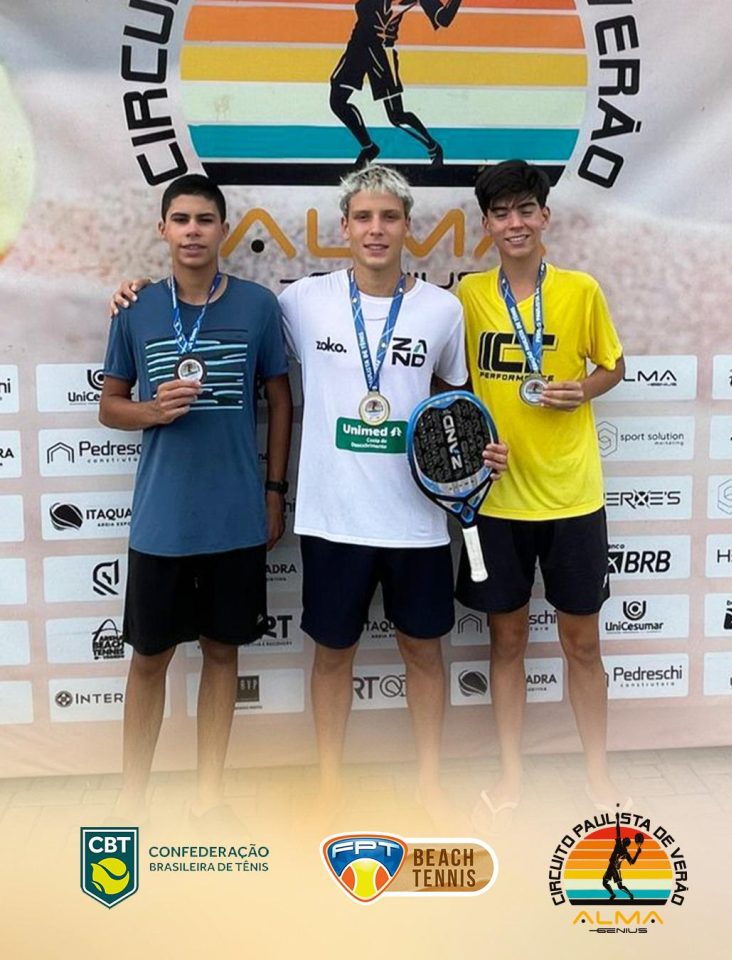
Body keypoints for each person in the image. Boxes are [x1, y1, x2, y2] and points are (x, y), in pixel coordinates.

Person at [278, 164, 506, 820]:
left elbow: (455, 403)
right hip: (334, 520)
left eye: (388, 217)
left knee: (424, 654)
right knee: (332, 657)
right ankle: (329, 784)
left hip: (417, 521)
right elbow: (229, 316)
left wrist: (481, 453)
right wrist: (136, 293)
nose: (375, 230)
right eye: (363, 218)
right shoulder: (303, 302)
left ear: (408, 226)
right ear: (344, 228)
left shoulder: (441, 309)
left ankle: (429, 781)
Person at [100, 174, 292, 826]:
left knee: (222, 653)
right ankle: (131, 798)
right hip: (162, 522)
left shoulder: (258, 306)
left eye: (204, 220)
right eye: (180, 219)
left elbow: (280, 401)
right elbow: (110, 406)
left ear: (223, 230)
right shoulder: (136, 308)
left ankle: (209, 795)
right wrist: (152, 411)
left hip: (235, 518)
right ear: (163, 229)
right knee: (148, 660)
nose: (192, 231)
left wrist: (274, 492)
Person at [456, 159, 627, 829]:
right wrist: (477, 443)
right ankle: (511, 776)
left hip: (572, 498)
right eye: (501, 213)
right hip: (496, 502)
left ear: (545, 215)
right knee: (506, 644)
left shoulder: (581, 290)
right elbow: (451, 386)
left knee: (583, 644)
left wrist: (581, 390)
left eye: (526, 209)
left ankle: (598, 775)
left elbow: (613, 365)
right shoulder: (469, 296)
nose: (515, 223)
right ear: (487, 224)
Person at [330, 0, 464, 167]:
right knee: (337, 101)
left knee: (396, 116)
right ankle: (368, 147)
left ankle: (433, 147)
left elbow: (443, 18)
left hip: (381, 50)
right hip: (358, 45)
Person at [602, 814, 644, 900]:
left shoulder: (618, 845)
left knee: (605, 883)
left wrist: (617, 819)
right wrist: (637, 853)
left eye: (623, 840)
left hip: (613, 867)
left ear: (622, 841)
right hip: (615, 868)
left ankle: (614, 894)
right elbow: (632, 862)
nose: (622, 840)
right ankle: (628, 894)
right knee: (618, 886)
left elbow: (618, 830)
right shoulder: (626, 853)